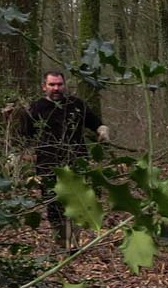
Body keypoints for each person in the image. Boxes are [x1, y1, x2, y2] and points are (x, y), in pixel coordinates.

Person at [15, 71, 106, 241]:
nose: (56, 88)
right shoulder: (35, 108)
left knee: (78, 203)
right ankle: (62, 242)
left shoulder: (76, 105)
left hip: (77, 162)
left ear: (64, 85)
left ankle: (75, 242)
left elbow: (96, 123)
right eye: (52, 85)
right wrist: (20, 155)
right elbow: (24, 136)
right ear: (44, 87)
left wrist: (102, 130)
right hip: (48, 165)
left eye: (59, 84)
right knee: (54, 205)